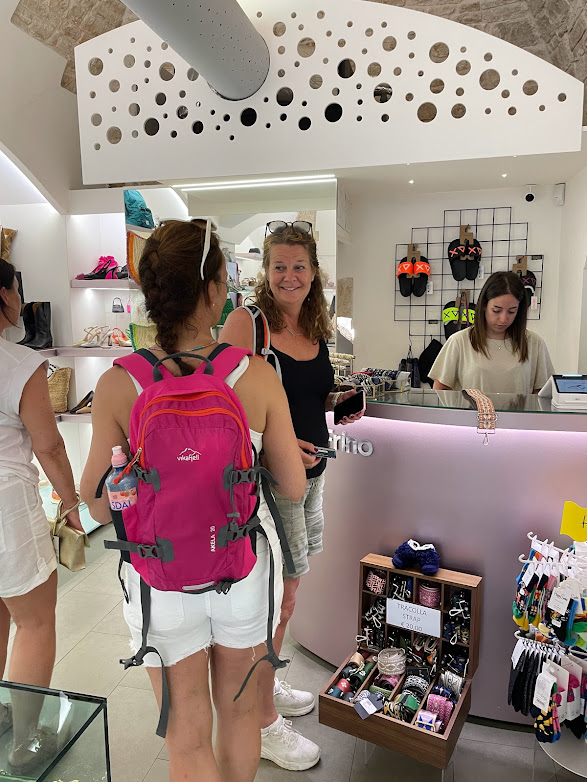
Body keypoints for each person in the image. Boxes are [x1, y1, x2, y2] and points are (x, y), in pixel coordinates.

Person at [80, 220, 305, 782]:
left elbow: (97, 505)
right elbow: (293, 486)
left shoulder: (119, 383)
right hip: (240, 571)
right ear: (213, 290)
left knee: (186, 737)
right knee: (241, 715)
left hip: (159, 581)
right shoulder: (255, 376)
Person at [221, 221, 363, 771]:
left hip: (312, 476)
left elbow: (302, 397)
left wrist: (335, 403)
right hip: (268, 482)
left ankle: (269, 683)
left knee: (291, 591)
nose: (289, 275)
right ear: (265, 271)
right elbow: (224, 410)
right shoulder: (248, 324)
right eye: (279, 265)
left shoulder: (315, 325)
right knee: (275, 598)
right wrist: (274, 451)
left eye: (298, 266)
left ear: (313, 272)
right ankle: (262, 723)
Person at [0, 259, 83, 773]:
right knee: (34, 622)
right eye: (16, 288)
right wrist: (71, 506)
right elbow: (49, 446)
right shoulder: (18, 363)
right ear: (4, 295)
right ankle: (26, 744)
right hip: (6, 504)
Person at [430, 270, 554, 394]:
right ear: (484, 305)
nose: (503, 319)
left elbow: (543, 394)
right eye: (496, 310)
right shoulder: (459, 341)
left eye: (512, 311)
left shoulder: (534, 343)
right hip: (471, 408)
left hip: (519, 408)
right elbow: (440, 391)